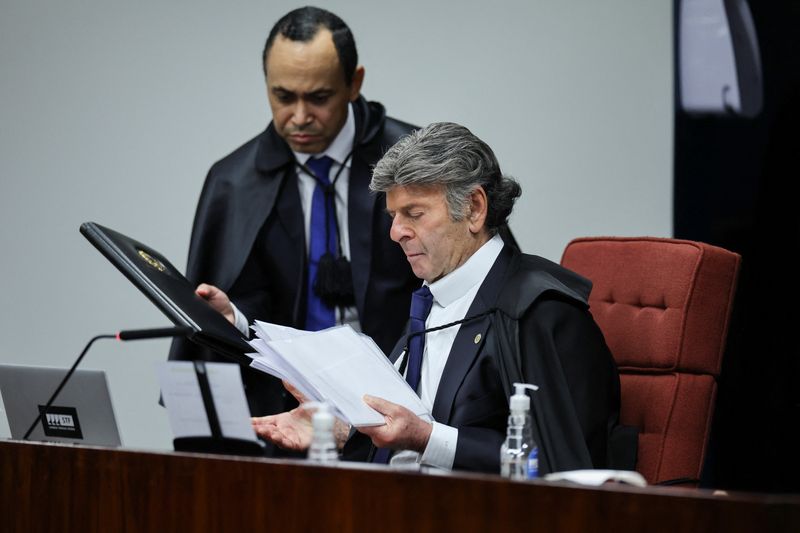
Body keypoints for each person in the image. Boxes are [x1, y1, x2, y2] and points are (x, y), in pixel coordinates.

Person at [249, 122, 636, 475]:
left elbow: (564, 466)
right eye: (393, 216)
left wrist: (427, 438)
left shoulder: (541, 312)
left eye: (414, 213)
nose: (395, 232)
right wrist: (342, 429)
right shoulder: (430, 298)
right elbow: (406, 426)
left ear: (474, 208)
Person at [167, 7, 420, 428]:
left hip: (403, 399)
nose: (300, 117)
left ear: (354, 84)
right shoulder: (233, 182)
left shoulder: (416, 161)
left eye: (319, 98)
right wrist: (233, 317)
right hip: (283, 409)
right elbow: (236, 316)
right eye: (283, 97)